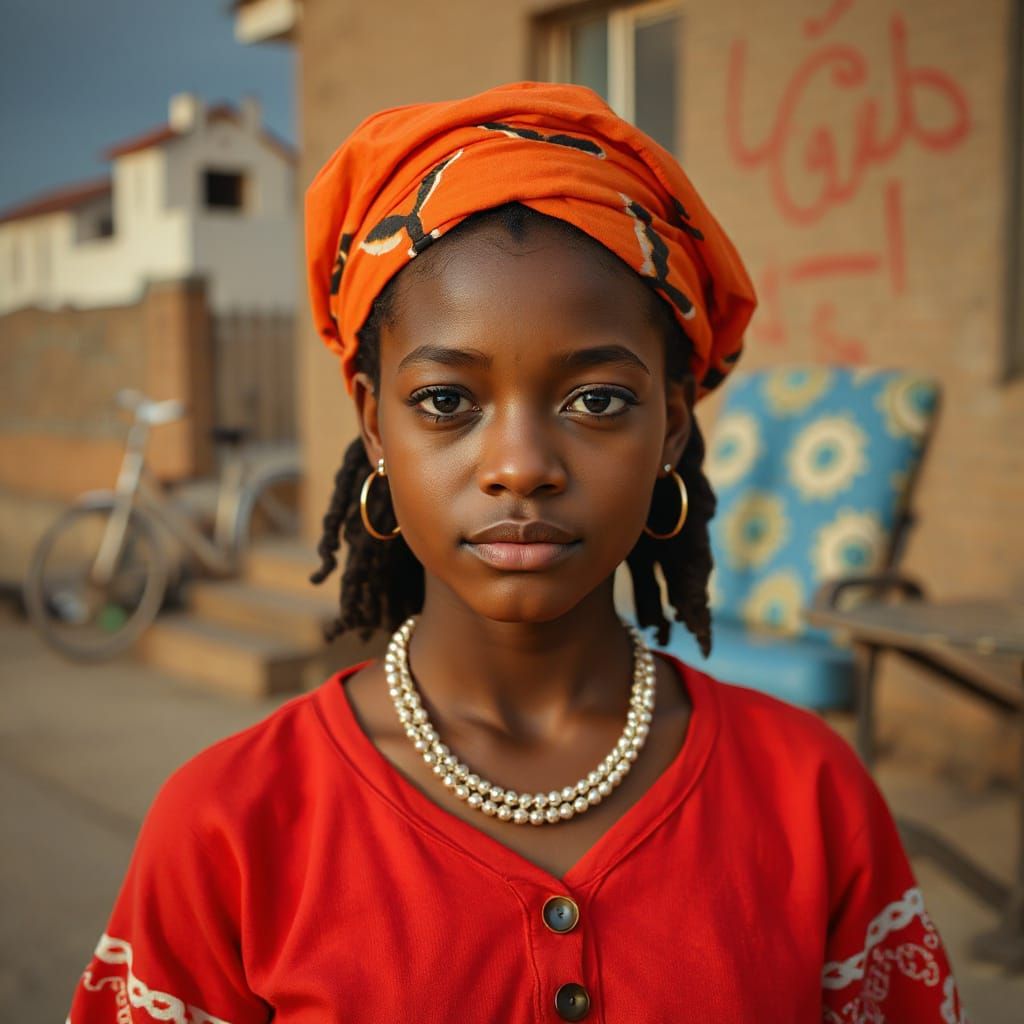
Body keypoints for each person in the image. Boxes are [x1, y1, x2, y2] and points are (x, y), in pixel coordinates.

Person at [68, 82, 965, 1023]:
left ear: (670, 425)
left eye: (598, 401)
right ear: (375, 424)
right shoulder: (230, 827)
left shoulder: (810, 798)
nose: (522, 467)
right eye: (448, 401)